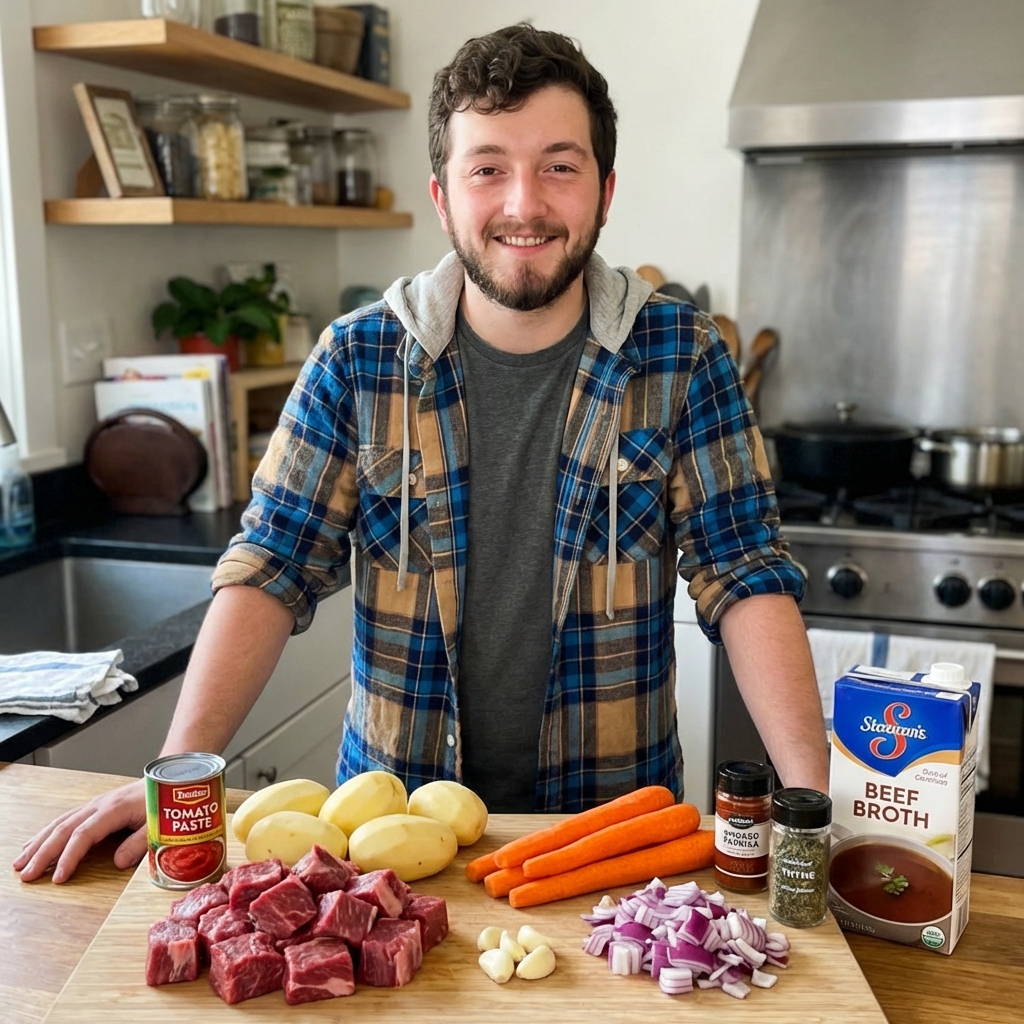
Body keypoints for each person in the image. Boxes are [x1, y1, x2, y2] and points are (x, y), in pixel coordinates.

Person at [15, 24, 827, 885]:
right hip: (389, 848)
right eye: (488, 169)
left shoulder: (682, 355)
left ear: (604, 189)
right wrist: (175, 780)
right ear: (443, 196)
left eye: (560, 164)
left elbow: (743, 574)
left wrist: (813, 805)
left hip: (613, 844)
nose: (525, 203)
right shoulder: (357, 359)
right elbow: (269, 568)